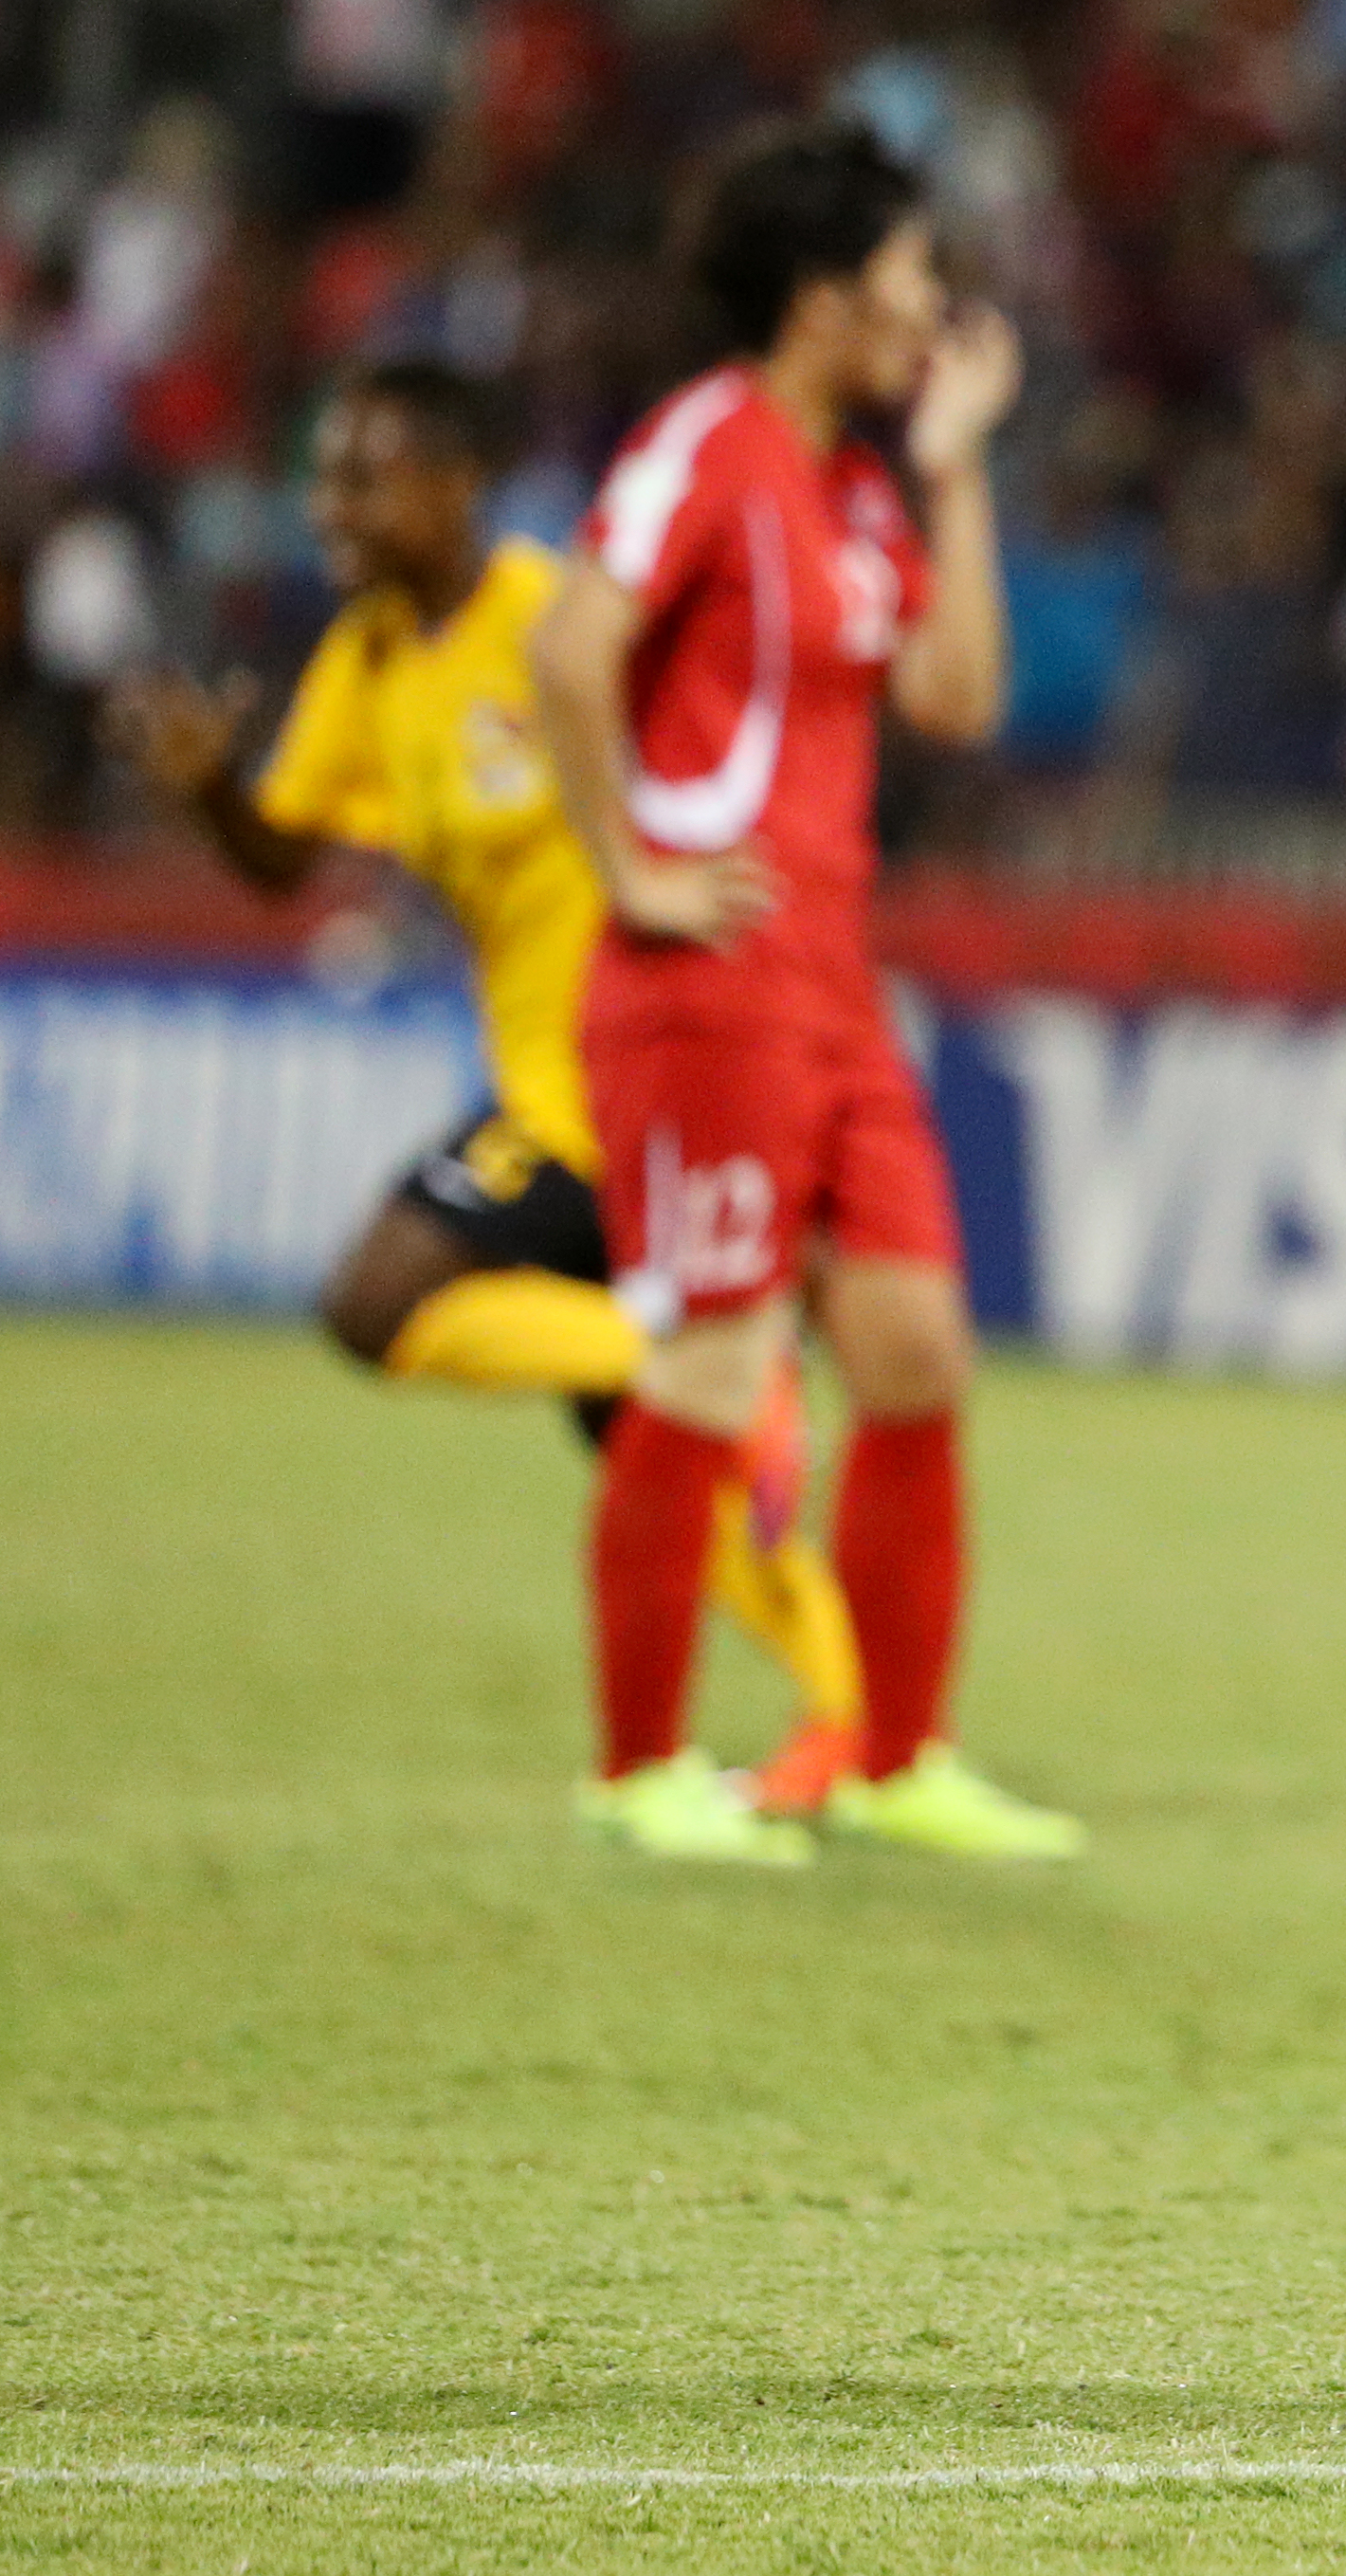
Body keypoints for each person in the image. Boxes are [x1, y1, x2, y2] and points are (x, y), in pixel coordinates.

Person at [103, 359, 863, 1803]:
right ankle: (846, 1708)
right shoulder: (372, 661)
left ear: (456, 485)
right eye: (324, 477)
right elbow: (286, 856)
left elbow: (716, 739)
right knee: (653, 1449)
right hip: (550, 1092)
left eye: (364, 475)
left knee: (377, 1300)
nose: (330, 506)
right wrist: (210, 789)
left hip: (629, 1086)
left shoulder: (553, 619)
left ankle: (694, 1366)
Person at [525, 120, 1078, 1867]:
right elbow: (568, 645)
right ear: (828, 294)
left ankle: (898, 1756)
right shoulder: (707, 440)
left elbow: (960, 696)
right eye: (914, 282)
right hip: (707, 983)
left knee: (915, 1360)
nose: (935, 314)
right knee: (707, 1370)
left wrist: (960, 467)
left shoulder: (850, 483)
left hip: (832, 984)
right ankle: (636, 1768)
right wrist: (630, 866)